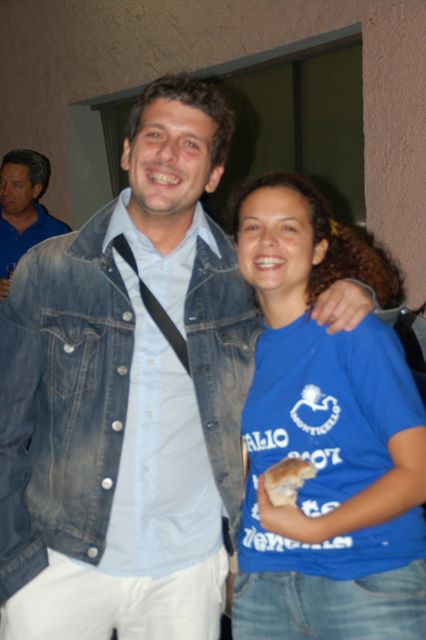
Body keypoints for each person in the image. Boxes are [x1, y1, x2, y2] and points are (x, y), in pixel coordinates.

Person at [0, 75, 377, 640]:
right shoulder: (50, 268)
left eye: (191, 144)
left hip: (186, 571)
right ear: (127, 151)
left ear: (214, 173)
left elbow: (330, 303)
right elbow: (6, 426)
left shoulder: (244, 278)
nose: (168, 155)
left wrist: (357, 291)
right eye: (155, 135)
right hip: (57, 562)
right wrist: (12, 558)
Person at [230, 172, 426, 640]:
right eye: (253, 227)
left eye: (288, 227)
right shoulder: (235, 350)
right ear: (236, 246)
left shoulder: (356, 335)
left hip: (367, 580)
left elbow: (418, 473)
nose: (267, 241)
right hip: (263, 589)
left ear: (319, 249)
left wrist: (320, 528)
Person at [0, 148, 71, 300]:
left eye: (16, 185)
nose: (5, 192)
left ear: (36, 190)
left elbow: (71, 291)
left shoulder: (58, 234)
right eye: (2, 183)